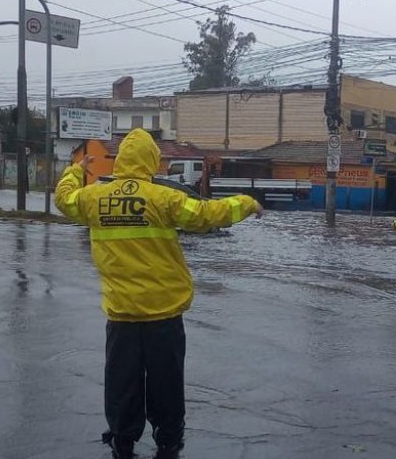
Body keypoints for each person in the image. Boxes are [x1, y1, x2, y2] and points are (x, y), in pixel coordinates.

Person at [55, 128, 262, 459]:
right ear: (151, 161)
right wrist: (247, 202)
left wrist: (75, 170)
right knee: (166, 381)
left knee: (122, 379)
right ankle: (168, 441)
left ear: (121, 161)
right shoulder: (163, 198)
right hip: (163, 312)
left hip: (121, 312)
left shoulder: (94, 198)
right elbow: (209, 215)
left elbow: (64, 199)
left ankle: (122, 438)